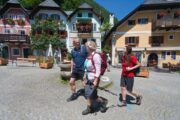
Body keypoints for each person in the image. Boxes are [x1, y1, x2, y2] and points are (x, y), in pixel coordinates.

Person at [82, 41, 107, 115]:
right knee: (88, 93)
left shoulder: (96, 56)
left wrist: (96, 80)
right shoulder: (88, 56)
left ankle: (103, 102)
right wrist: (84, 75)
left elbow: (98, 69)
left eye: (86, 46)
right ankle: (89, 108)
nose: (85, 48)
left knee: (91, 95)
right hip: (88, 77)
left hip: (93, 78)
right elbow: (86, 67)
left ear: (90, 47)